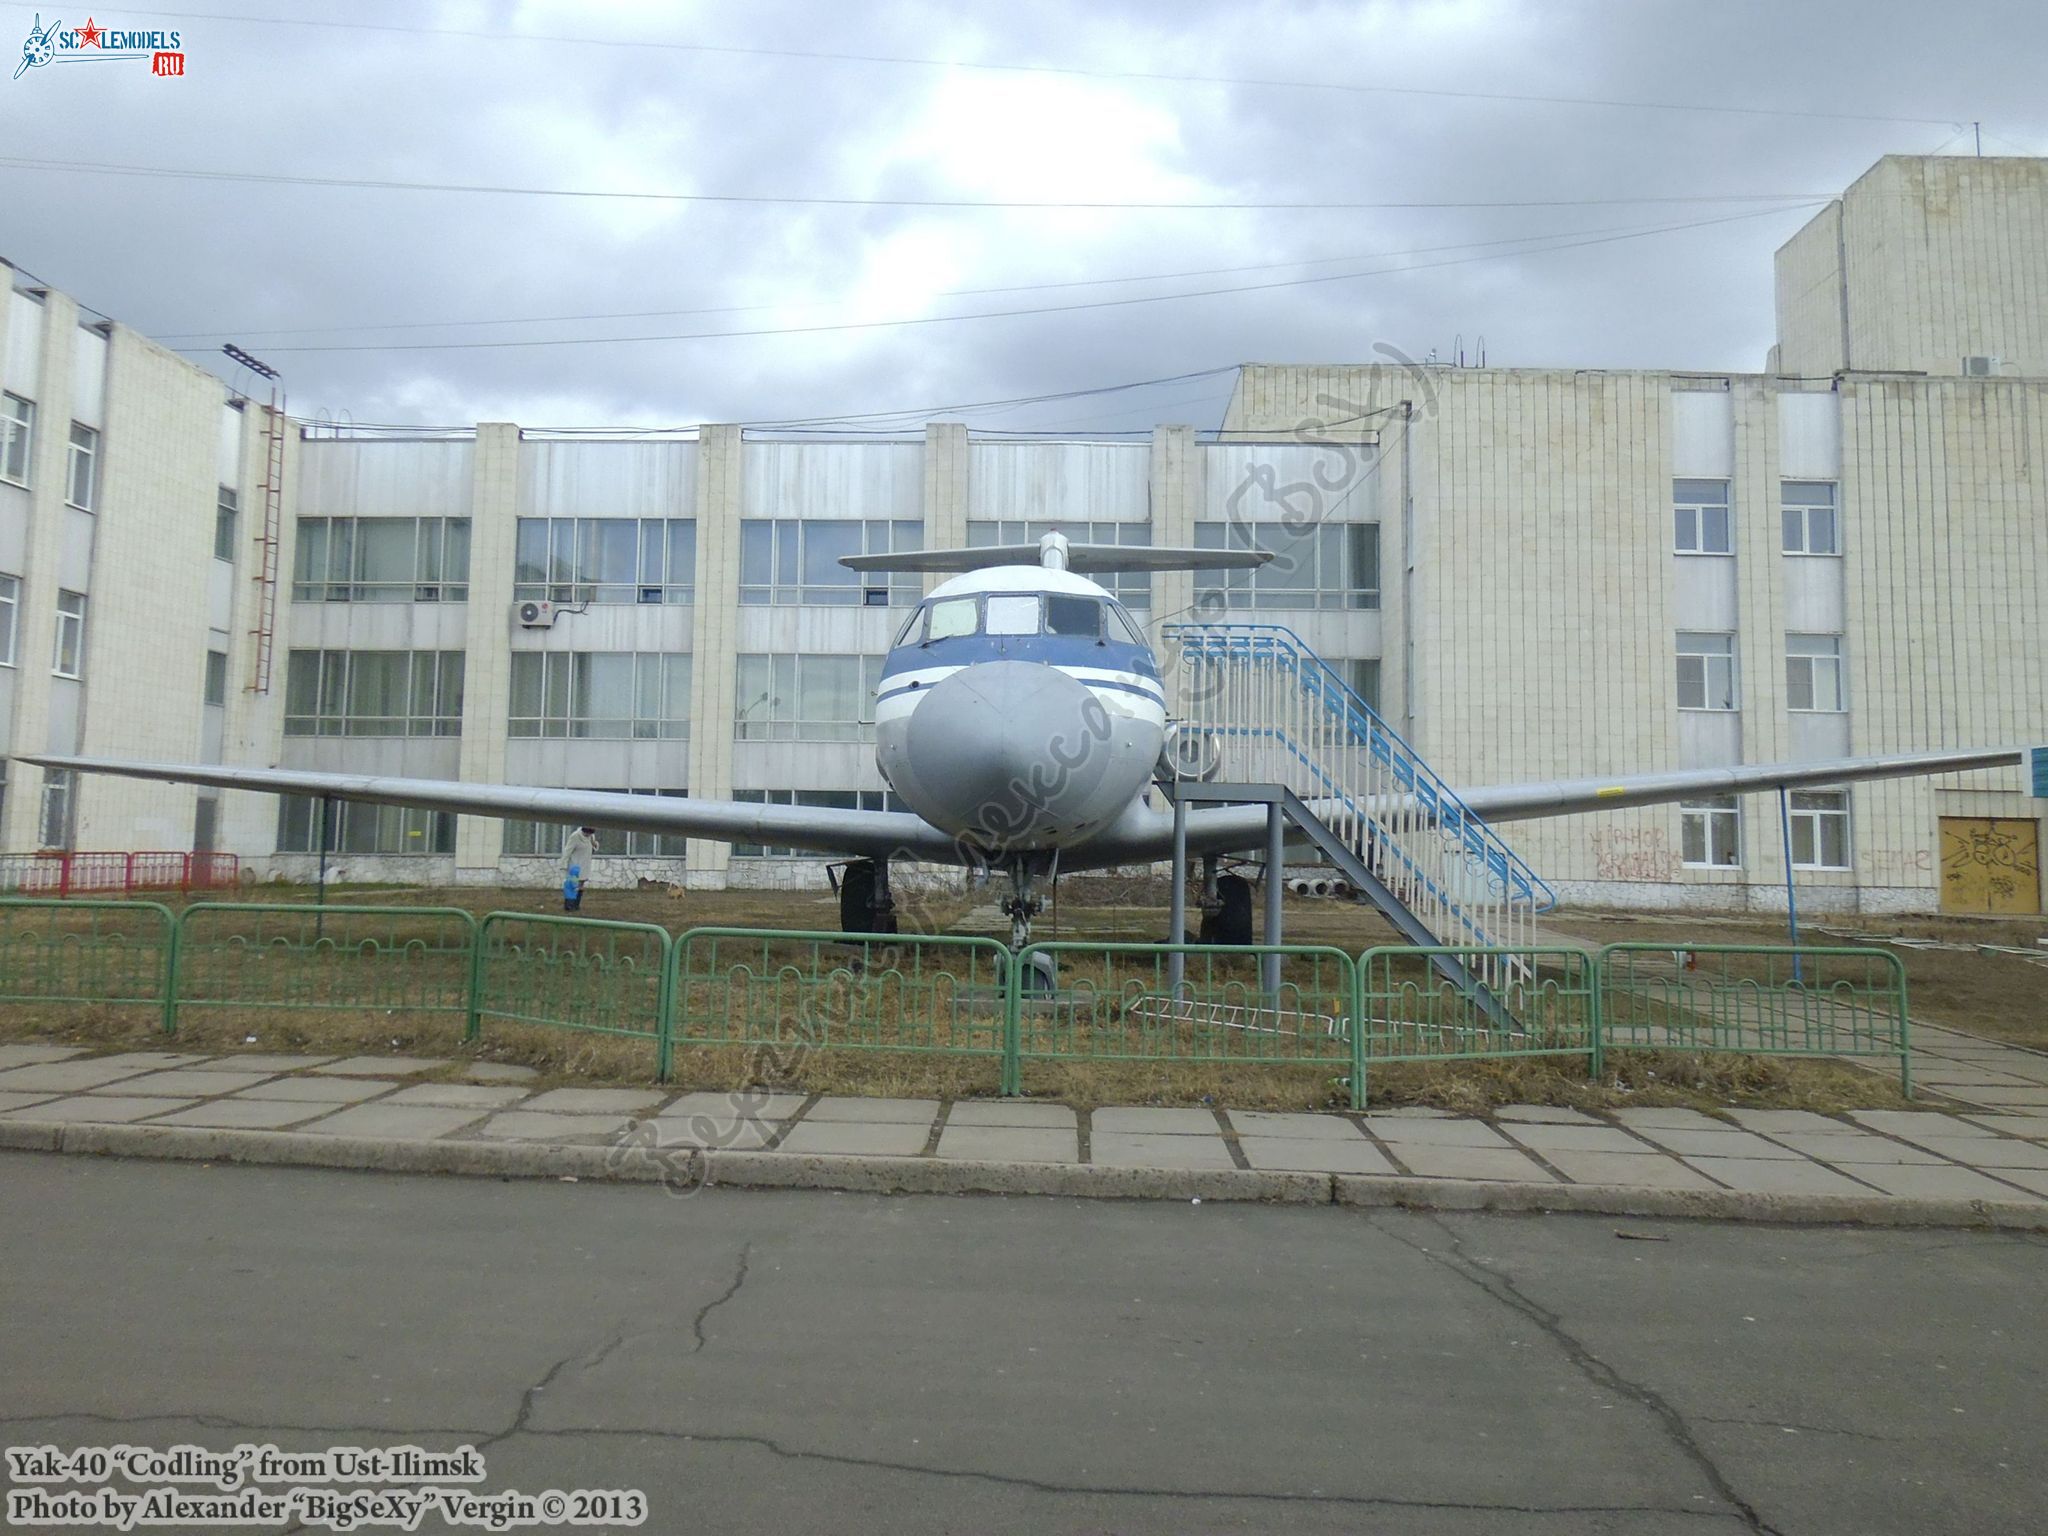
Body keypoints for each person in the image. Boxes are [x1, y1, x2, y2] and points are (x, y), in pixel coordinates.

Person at [561, 825, 598, 912]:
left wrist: (595, 845)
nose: (588, 835)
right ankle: (569, 905)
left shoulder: (591, 837)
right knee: (572, 885)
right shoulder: (575, 836)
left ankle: (576, 905)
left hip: (585, 864)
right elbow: (567, 851)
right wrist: (563, 864)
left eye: (590, 833)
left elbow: (593, 848)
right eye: (587, 833)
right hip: (574, 866)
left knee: (580, 885)